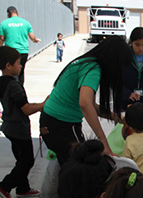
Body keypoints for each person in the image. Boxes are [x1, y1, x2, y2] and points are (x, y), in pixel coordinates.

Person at [40, 36, 132, 165]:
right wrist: (104, 143)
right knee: (79, 167)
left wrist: (117, 117)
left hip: (51, 122)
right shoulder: (93, 70)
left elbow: (92, 106)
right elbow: (85, 104)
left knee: (70, 169)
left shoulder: (87, 62)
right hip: (61, 125)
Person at [0, 47, 47, 198]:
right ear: (8, 65)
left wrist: (39, 104)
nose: (21, 67)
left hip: (8, 127)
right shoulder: (14, 85)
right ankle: (5, 186)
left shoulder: (3, 83)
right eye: (18, 64)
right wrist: (43, 105)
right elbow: (26, 109)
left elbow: (22, 105)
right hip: (19, 129)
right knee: (27, 161)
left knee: (20, 159)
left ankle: (23, 188)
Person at [0, 6, 40, 85]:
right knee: (21, 71)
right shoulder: (26, 23)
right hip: (23, 51)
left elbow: (1, 39)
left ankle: (13, 89)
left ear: (8, 14)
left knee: (11, 73)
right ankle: (20, 88)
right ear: (17, 13)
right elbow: (32, 37)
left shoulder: (4, 23)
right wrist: (36, 40)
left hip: (10, 52)